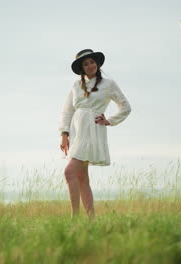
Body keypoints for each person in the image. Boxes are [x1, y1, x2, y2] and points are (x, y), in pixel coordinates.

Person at [58, 49, 131, 218]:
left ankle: (74, 218)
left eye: (92, 62)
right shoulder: (76, 85)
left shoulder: (109, 84)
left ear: (97, 64)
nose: (90, 66)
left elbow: (126, 106)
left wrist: (110, 120)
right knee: (82, 177)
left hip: (93, 131)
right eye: (85, 64)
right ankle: (92, 220)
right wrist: (64, 134)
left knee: (69, 172)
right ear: (81, 68)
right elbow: (67, 111)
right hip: (77, 131)